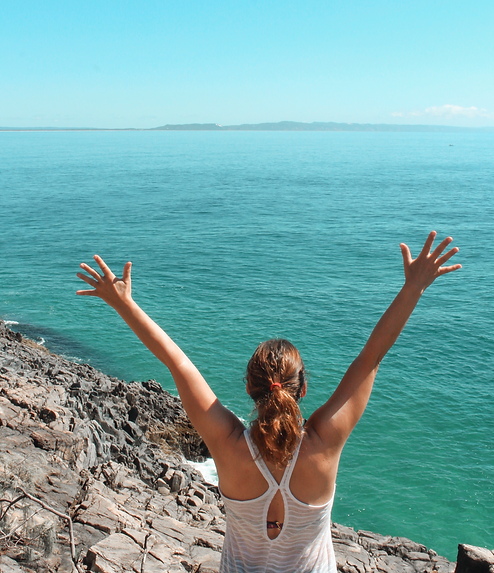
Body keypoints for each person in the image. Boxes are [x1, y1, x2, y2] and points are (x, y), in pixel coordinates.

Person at [77, 231, 461, 573]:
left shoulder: (227, 445)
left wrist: (123, 303)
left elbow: (176, 361)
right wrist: (414, 288)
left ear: (249, 388)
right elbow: (371, 358)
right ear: (303, 388)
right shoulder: (324, 443)